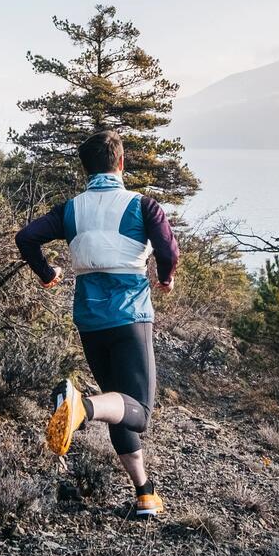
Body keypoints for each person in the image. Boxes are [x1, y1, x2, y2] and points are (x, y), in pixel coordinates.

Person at [14, 131, 179, 518]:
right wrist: (167, 276)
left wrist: (45, 271)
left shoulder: (71, 209)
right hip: (130, 315)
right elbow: (168, 250)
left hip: (89, 319)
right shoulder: (143, 205)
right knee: (138, 409)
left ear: (85, 168)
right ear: (121, 163)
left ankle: (144, 493)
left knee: (117, 403)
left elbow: (26, 237)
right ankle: (81, 408)